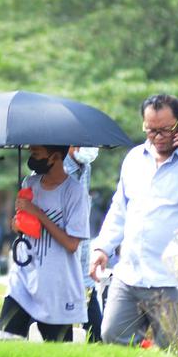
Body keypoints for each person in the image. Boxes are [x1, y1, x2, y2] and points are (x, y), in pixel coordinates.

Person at [90, 94, 178, 348]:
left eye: (166, 129)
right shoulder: (134, 158)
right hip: (130, 274)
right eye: (151, 130)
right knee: (112, 337)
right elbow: (120, 208)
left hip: (170, 281)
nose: (158, 136)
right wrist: (102, 248)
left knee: (173, 350)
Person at [0, 145, 90, 341]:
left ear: (55, 156)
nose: (32, 158)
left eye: (36, 154)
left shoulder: (74, 192)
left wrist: (38, 213)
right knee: (5, 341)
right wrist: (18, 224)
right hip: (22, 279)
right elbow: (22, 226)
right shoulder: (29, 183)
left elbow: (72, 244)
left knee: (57, 354)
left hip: (55, 286)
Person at [65, 146, 103, 341]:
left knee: (95, 335)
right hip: (61, 268)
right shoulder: (55, 171)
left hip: (82, 266)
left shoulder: (85, 167)